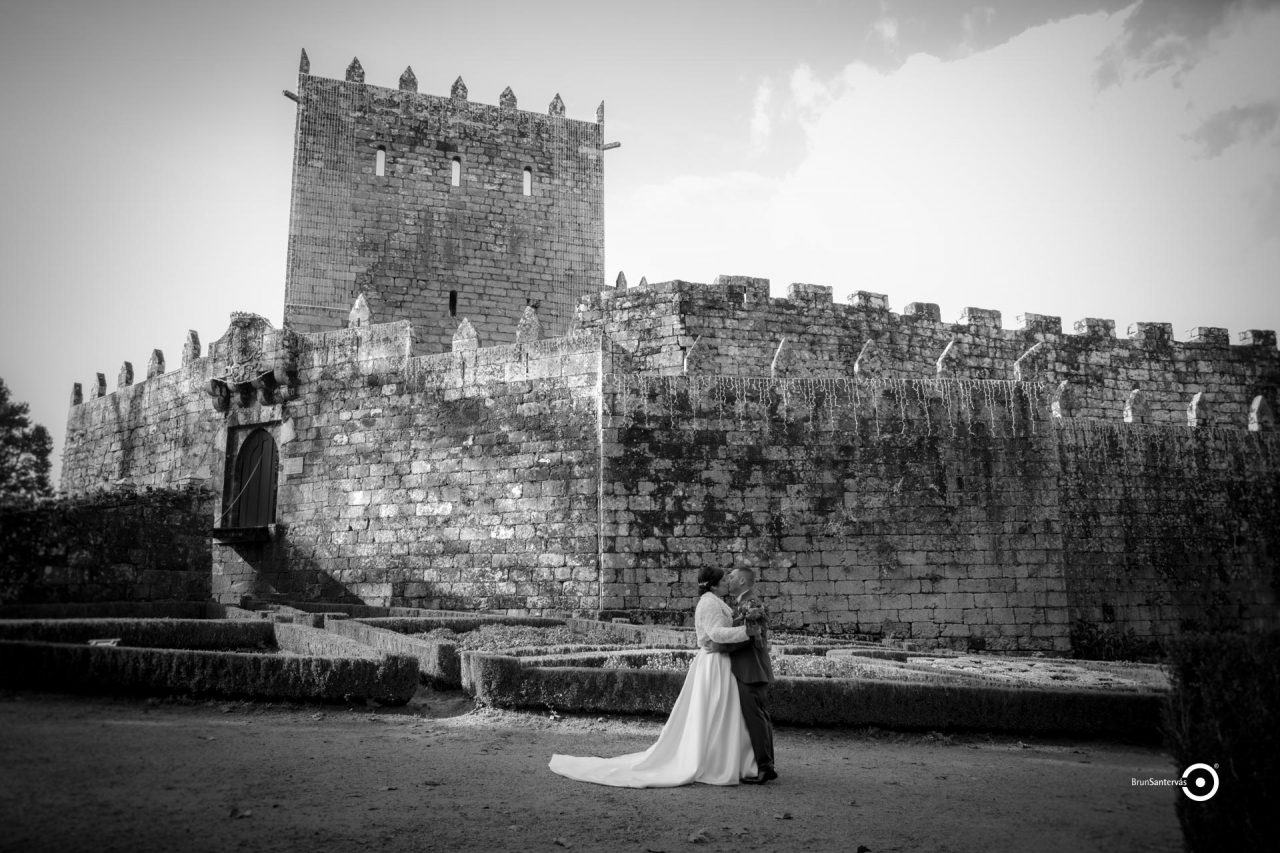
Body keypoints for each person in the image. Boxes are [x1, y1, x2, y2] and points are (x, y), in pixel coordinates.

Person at [547, 566, 758, 787]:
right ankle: (714, 760)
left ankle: (720, 756)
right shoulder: (709, 602)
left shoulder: (715, 600)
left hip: (719, 661)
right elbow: (715, 634)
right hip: (714, 662)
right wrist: (746, 632)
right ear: (714, 584)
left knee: (719, 711)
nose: (727, 582)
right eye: (724, 579)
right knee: (714, 709)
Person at [723, 567, 777, 784]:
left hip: (751, 668)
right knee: (760, 718)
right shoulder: (744, 602)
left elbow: (750, 636)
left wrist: (721, 646)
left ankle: (765, 767)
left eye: (733, 577)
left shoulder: (751, 603)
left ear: (743, 580)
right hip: (750, 668)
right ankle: (766, 765)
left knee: (756, 719)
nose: (729, 580)